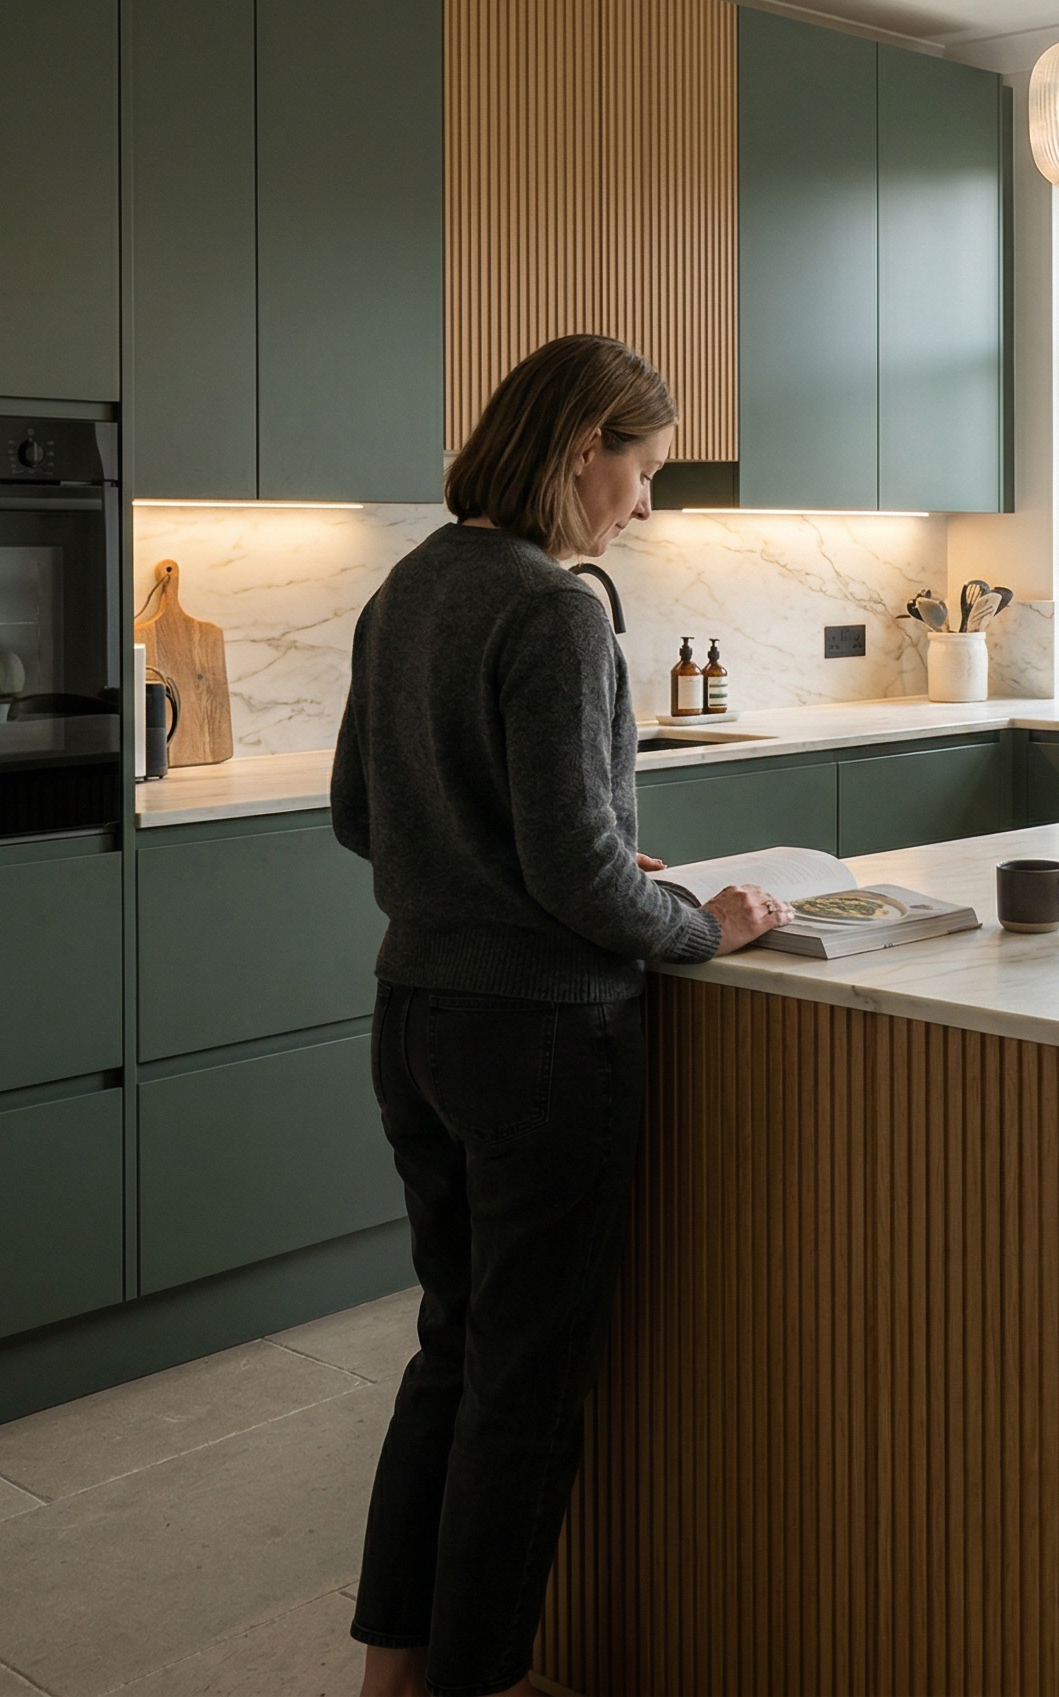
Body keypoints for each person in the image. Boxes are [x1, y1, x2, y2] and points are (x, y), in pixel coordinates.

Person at [332, 335, 790, 1697]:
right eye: (642, 470)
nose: (645, 504)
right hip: (541, 1041)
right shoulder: (555, 609)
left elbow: (366, 816)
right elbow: (580, 880)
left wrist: (535, 868)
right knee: (524, 1389)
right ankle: (480, 1682)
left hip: (416, 1019)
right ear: (582, 447)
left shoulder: (407, 588)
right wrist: (697, 927)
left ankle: (396, 1674)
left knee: (452, 1348)